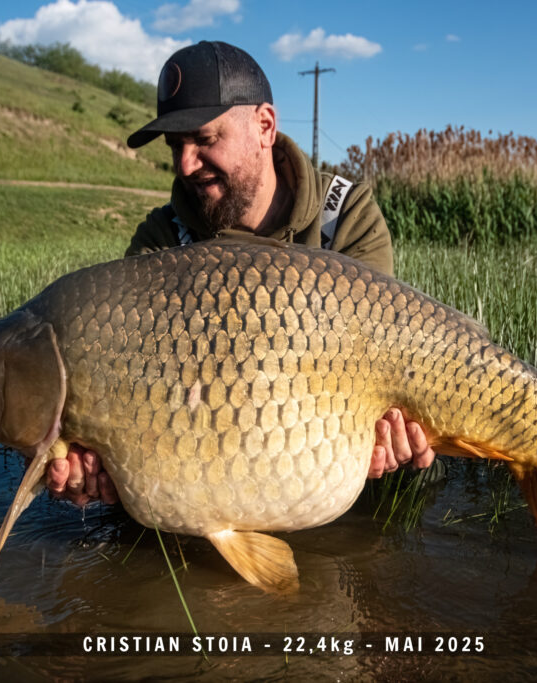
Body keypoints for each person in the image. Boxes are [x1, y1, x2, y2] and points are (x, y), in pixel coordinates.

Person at [46, 41, 434, 506]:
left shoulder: (343, 216)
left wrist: (391, 431)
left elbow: (388, 364)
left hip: (320, 474)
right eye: (176, 146)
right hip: (210, 478)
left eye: (204, 139)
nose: (185, 164)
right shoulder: (160, 241)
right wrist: (94, 467)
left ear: (265, 126)